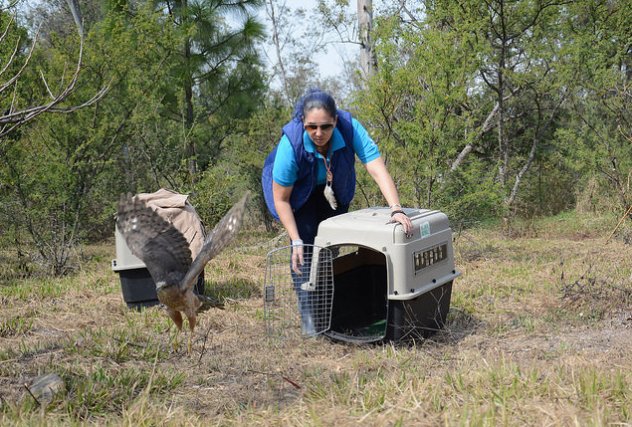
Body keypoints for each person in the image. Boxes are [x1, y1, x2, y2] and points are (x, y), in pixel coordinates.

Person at [261, 87, 413, 333]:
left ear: (335, 121)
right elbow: (282, 199)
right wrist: (296, 240)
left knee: (329, 248)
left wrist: (396, 208)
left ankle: (330, 312)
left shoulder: (350, 127)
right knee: (306, 250)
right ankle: (311, 324)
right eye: (312, 127)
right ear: (303, 123)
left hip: (334, 187)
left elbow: (376, 168)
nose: (318, 133)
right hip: (296, 194)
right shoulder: (291, 144)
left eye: (325, 127)